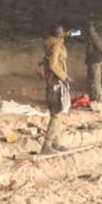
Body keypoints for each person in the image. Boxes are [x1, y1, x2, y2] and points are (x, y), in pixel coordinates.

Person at [40, 24, 72, 155]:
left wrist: (65, 35)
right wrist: (65, 77)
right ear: (59, 34)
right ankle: (46, 145)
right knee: (57, 114)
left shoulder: (51, 43)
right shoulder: (57, 46)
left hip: (51, 82)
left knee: (56, 113)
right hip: (56, 83)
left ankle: (55, 142)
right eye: (62, 32)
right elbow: (53, 64)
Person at [84, 22, 102, 103]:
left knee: (96, 80)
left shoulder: (94, 37)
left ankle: (98, 99)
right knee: (91, 80)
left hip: (95, 61)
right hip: (92, 61)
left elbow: (101, 48)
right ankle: (93, 98)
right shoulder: (91, 37)